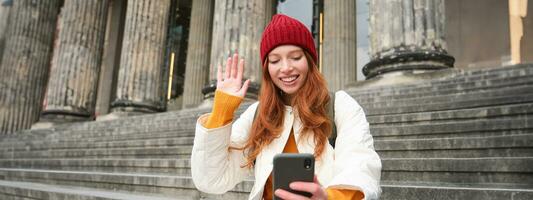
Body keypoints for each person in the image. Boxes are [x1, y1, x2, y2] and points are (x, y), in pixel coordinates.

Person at [191, 14, 381, 200]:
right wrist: (221, 111)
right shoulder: (257, 114)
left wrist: (328, 197)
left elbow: (361, 167)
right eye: (274, 61)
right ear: (267, 68)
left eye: (296, 57)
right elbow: (211, 180)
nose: (286, 68)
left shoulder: (341, 105)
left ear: (310, 60)